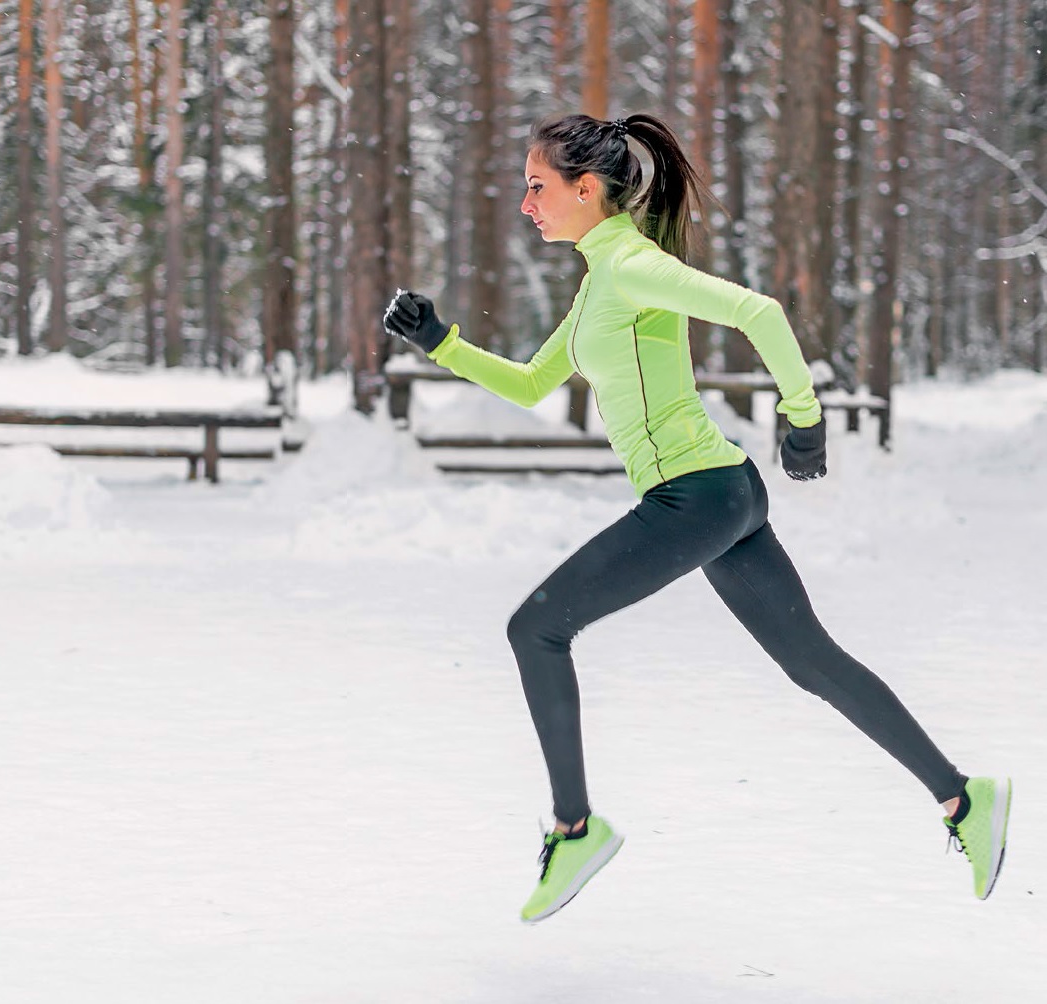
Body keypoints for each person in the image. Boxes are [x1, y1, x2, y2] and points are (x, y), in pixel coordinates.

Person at [382, 112, 1011, 923]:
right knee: (811, 663)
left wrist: (803, 414)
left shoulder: (632, 265)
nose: (525, 202)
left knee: (533, 630)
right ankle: (965, 800)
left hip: (696, 497)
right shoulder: (599, 280)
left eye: (537, 186)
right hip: (724, 493)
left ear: (587, 189)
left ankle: (574, 829)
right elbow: (536, 385)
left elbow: (760, 312)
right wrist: (440, 341)